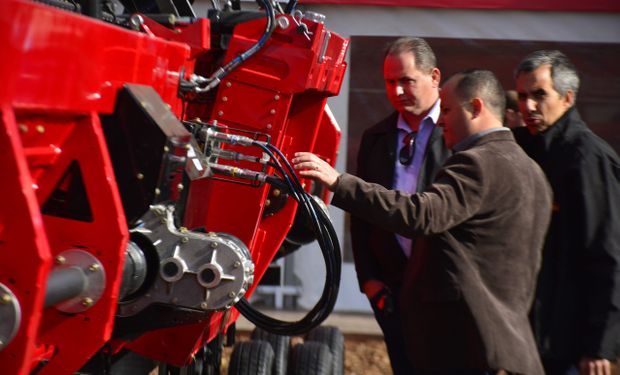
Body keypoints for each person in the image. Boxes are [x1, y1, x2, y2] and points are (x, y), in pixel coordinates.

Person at [294, 69, 551, 374]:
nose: (441, 121)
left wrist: (339, 183)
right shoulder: (534, 172)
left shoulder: (476, 163)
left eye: (449, 110)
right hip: (505, 346)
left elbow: (421, 214)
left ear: (476, 107)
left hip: (467, 349)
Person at [514, 50, 620, 375]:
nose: (528, 106)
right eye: (522, 96)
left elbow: (608, 254)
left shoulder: (588, 159)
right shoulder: (523, 148)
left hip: (573, 346)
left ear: (568, 97)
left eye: (539, 95)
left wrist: (599, 344)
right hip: (530, 338)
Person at [350, 37, 450, 374]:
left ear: (434, 76)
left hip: (446, 292)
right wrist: (370, 281)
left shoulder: (458, 134)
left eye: (407, 79)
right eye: (390, 82)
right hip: (393, 294)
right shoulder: (376, 138)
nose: (398, 91)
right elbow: (361, 216)